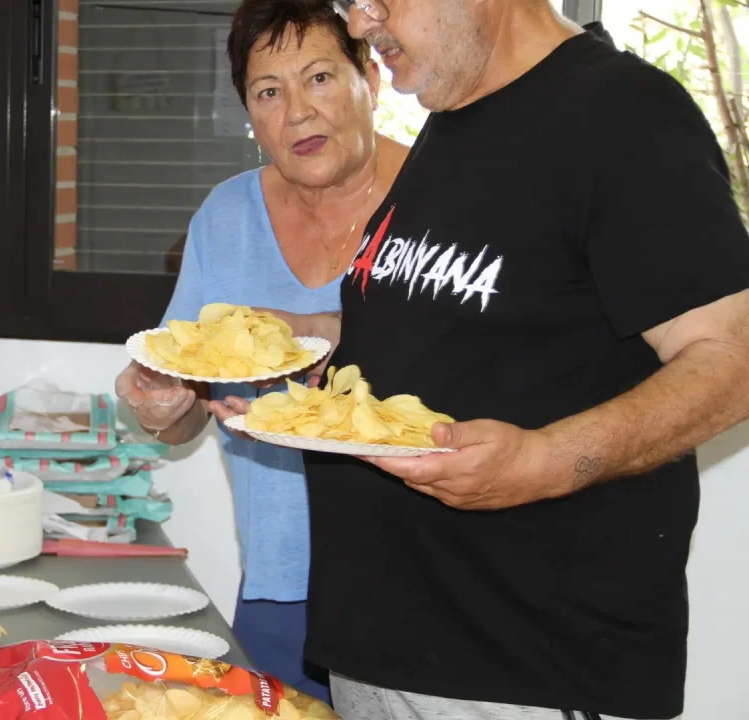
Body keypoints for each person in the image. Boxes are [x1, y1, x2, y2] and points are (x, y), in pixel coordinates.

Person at [209, 2, 749, 718]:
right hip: (381, 657)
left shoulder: (622, 113)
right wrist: (311, 334)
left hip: (524, 673)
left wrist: (546, 461)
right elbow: (469, 325)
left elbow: (731, 356)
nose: (363, 24)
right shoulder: (452, 121)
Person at [115, 0, 408, 700]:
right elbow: (185, 408)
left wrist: (320, 328)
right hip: (280, 584)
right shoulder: (225, 217)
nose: (298, 112)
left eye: (320, 78)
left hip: (424, 585)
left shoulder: (442, 199)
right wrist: (160, 403)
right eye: (268, 92)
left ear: (369, 76)